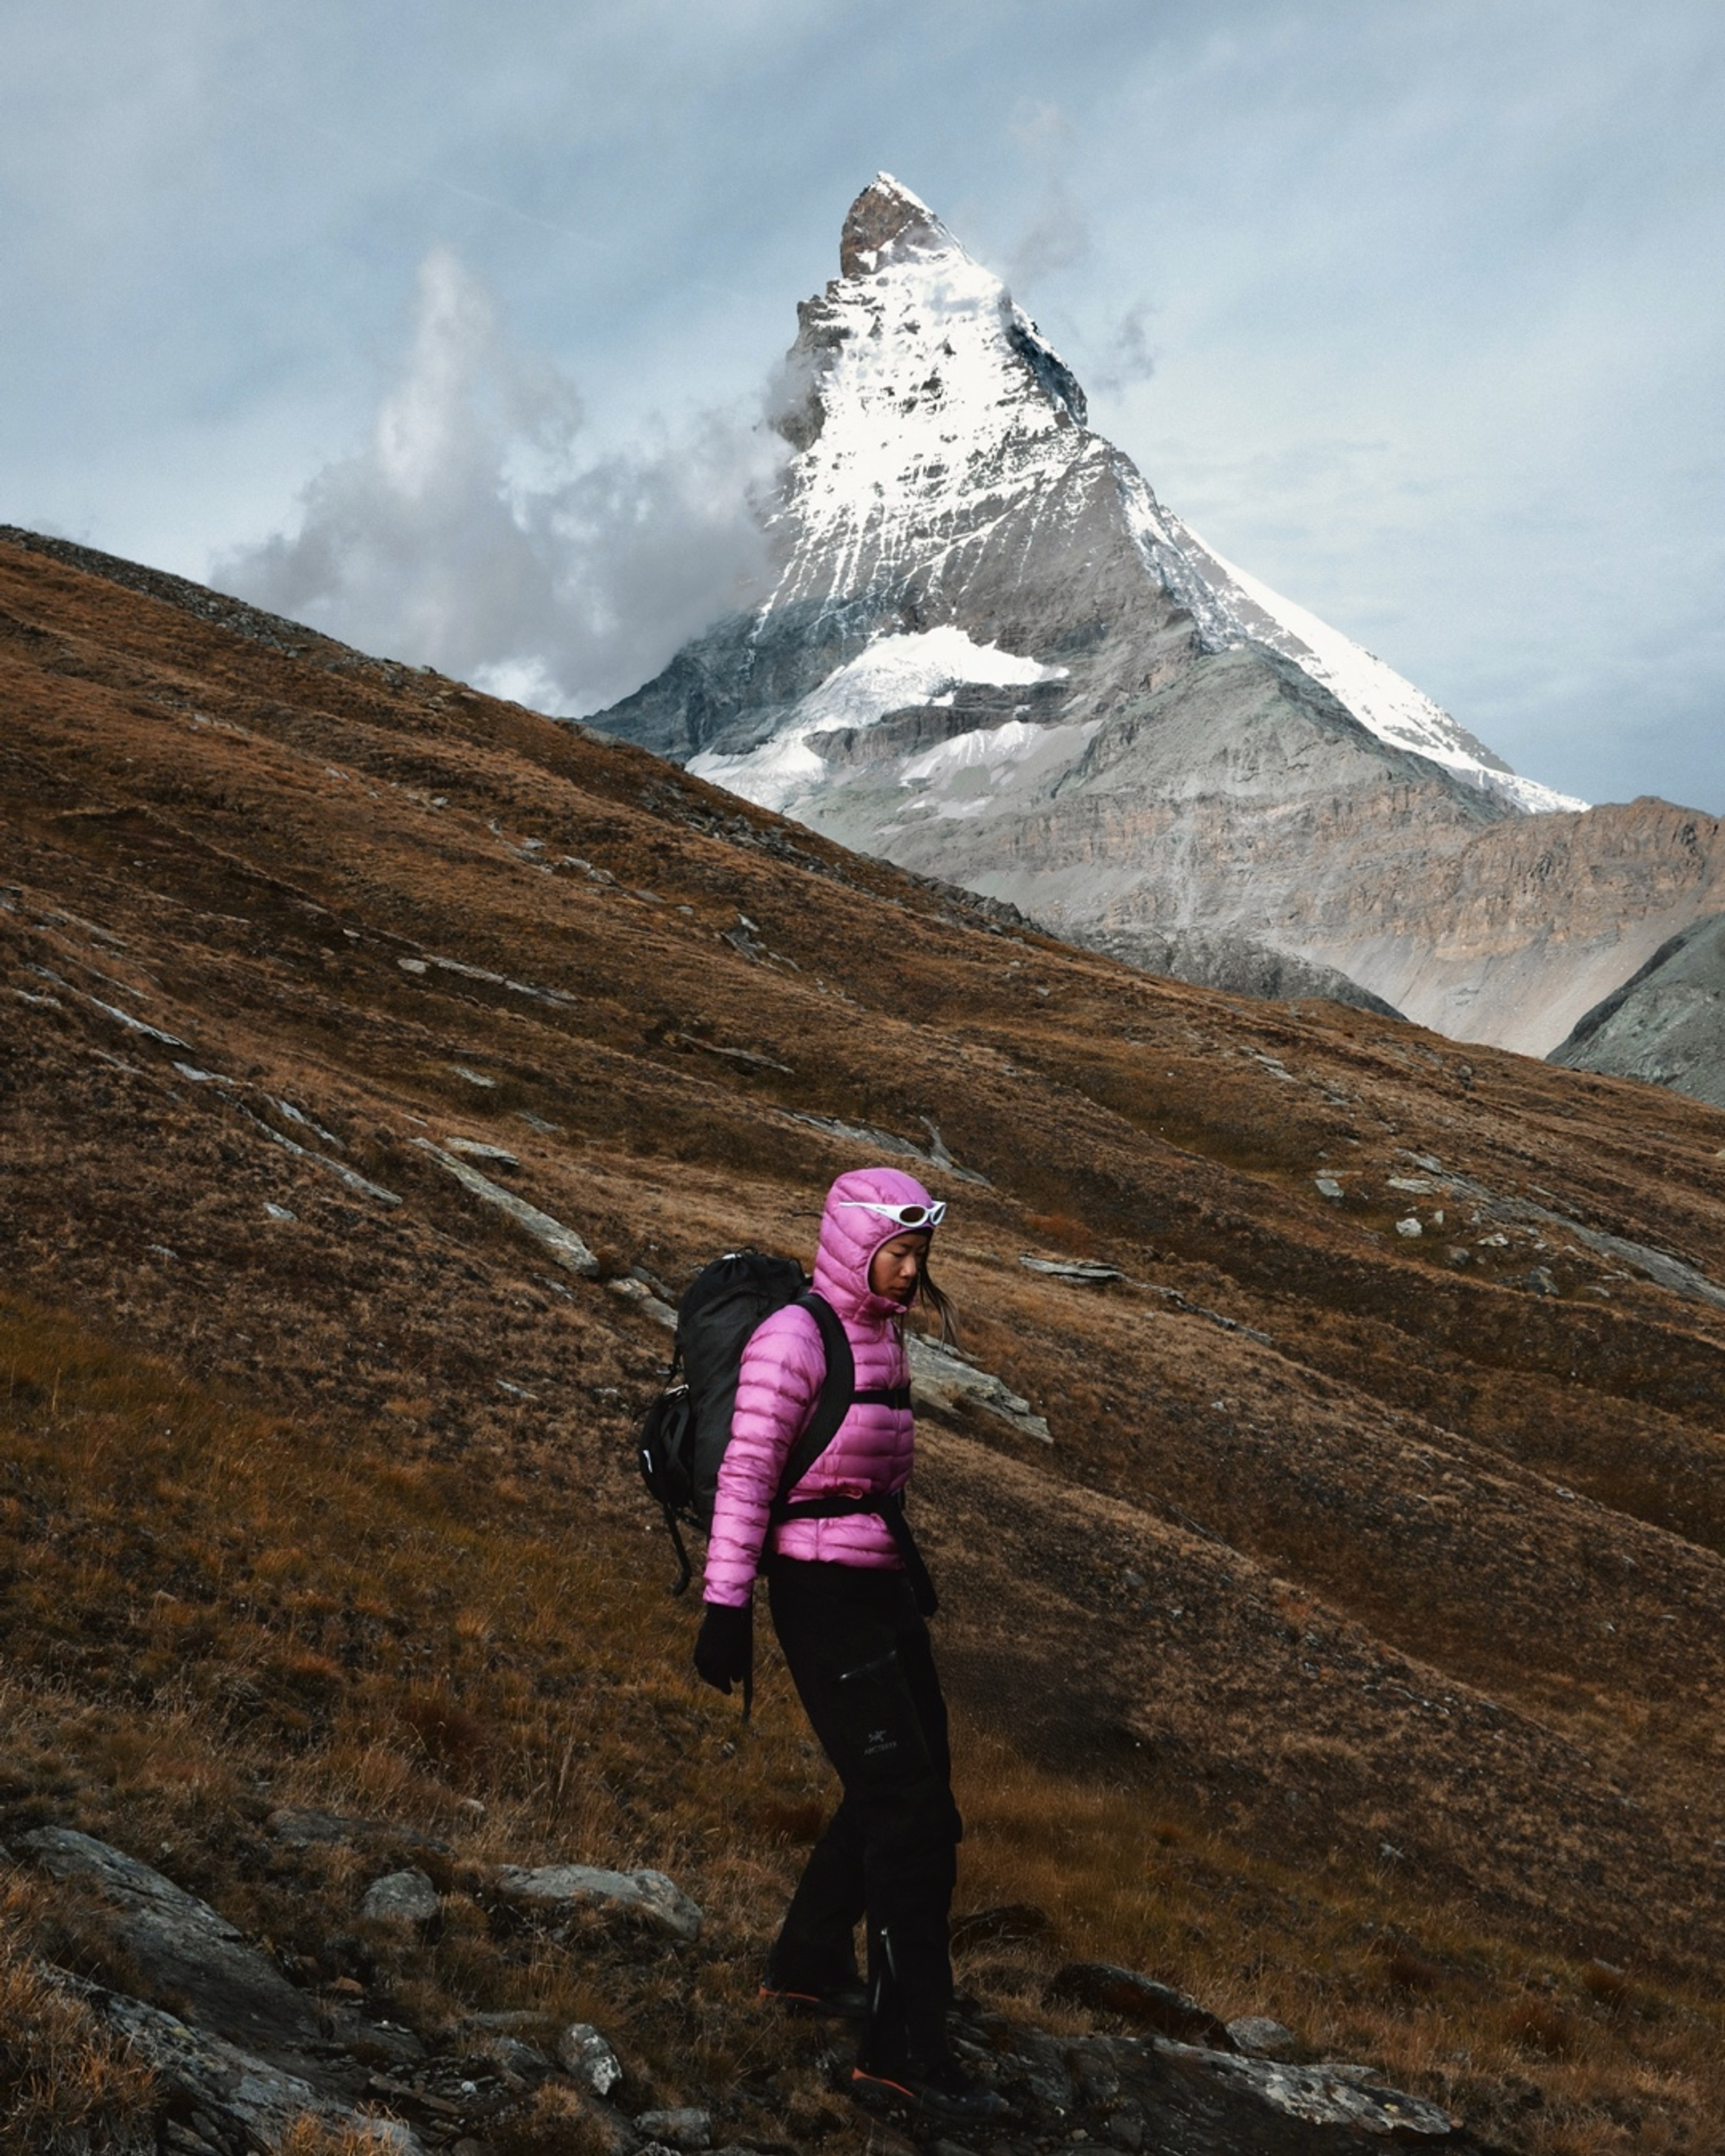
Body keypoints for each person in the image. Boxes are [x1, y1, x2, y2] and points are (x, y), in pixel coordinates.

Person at [692, 1165, 1005, 2124]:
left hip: (877, 1582)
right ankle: (903, 2053)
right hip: (819, 1590)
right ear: (853, 1245)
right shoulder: (798, 1338)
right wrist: (726, 1605)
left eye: (919, 1255)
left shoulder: (882, 1335)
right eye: (898, 1253)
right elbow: (749, 1472)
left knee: (910, 1790)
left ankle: (806, 1968)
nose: (911, 1271)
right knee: (908, 1813)